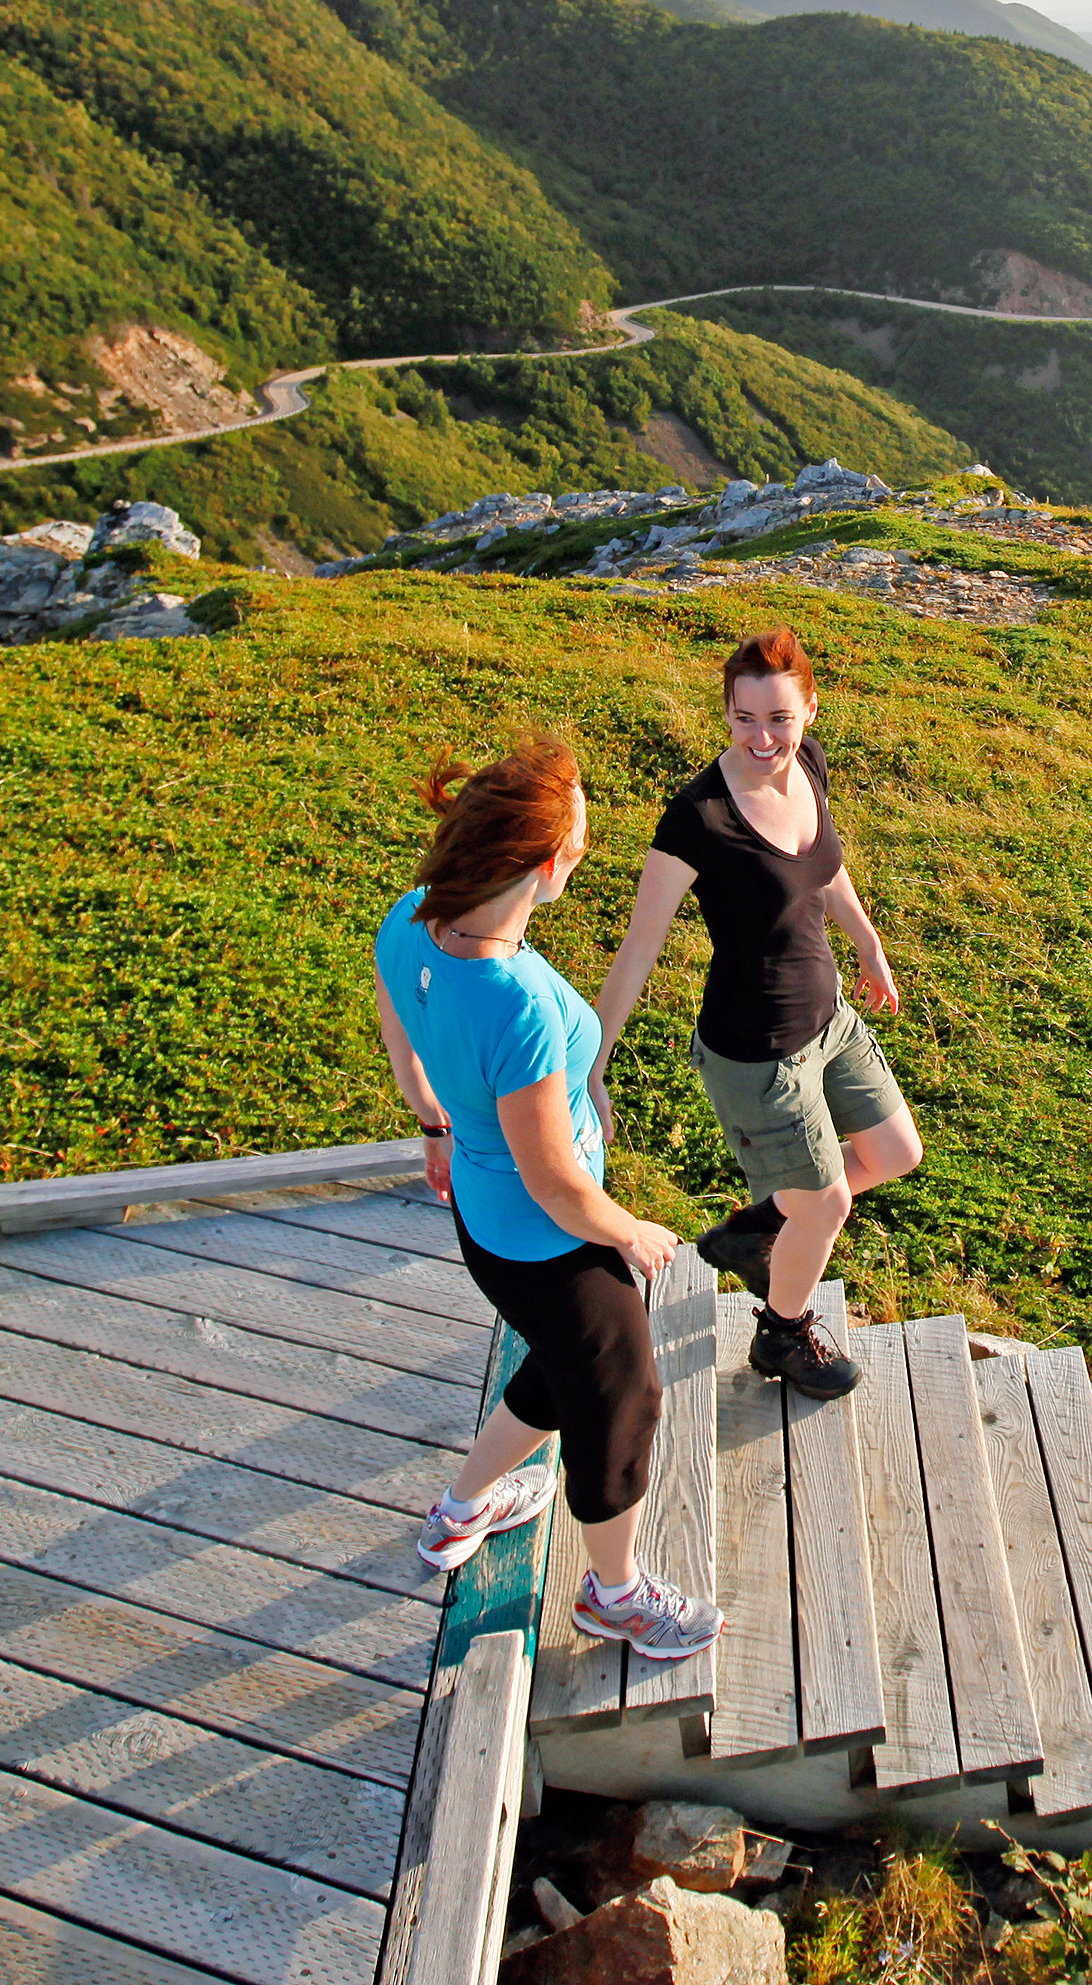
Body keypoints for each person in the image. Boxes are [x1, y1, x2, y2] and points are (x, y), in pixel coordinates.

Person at [371, 737, 723, 1661]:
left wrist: (435, 1121)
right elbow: (557, 1182)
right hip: (548, 1242)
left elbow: (397, 1023)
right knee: (623, 1399)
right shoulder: (515, 1001)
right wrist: (633, 1231)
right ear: (543, 863)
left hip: (487, 1223)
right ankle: (614, 1593)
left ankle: (460, 1513)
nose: (584, 851)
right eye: (579, 841)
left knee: (565, 1367)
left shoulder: (412, 920)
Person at [592, 628, 918, 1401]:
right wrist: (594, 1068)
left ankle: (758, 1226)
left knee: (895, 1151)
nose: (762, 736)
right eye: (744, 718)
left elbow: (826, 867)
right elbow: (638, 949)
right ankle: (781, 1330)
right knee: (829, 1201)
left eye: (778, 716)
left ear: (809, 708)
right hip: (756, 1052)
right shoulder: (698, 817)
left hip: (828, 1018)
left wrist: (868, 946)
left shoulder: (806, 765)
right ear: (728, 714)